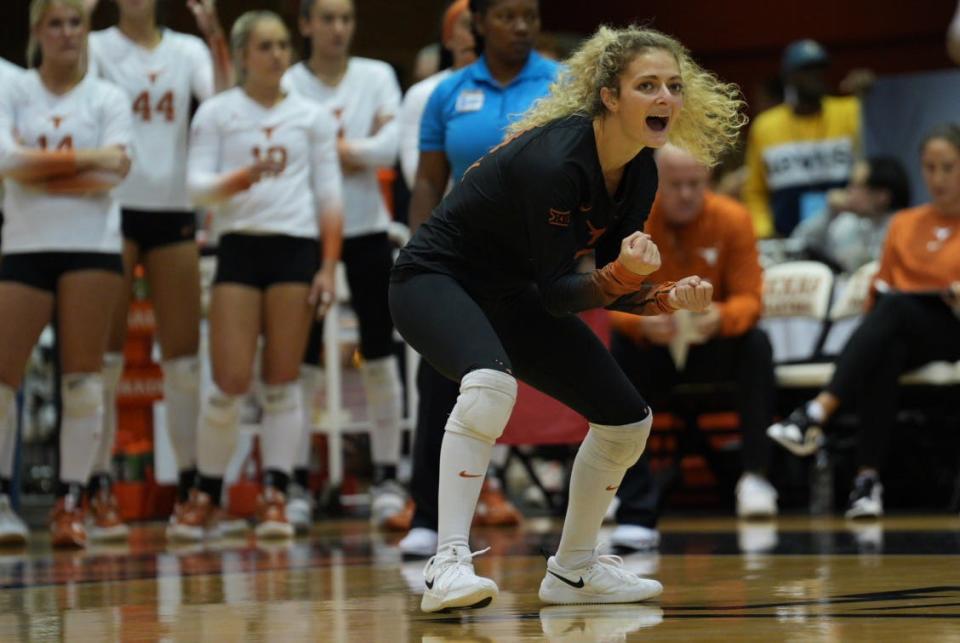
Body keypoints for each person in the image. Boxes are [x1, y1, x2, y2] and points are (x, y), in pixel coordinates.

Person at [390, 25, 744, 612]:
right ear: (610, 96)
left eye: (674, 87)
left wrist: (665, 297)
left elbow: (600, 284)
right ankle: (446, 562)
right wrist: (626, 279)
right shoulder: (556, 160)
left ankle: (575, 570)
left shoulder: (642, 170)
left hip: (510, 293)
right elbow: (561, 293)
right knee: (489, 385)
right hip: (433, 279)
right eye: (648, 85)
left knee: (628, 421)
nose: (665, 99)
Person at [398, 0, 560, 558]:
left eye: (530, 16)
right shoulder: (448, 93)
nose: (521, 27)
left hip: (535, 262)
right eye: (507, 16)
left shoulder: (562, 84)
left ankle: (607, 507)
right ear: (478, 25)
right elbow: (426, 182)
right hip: (459, 263)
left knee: (579, 370)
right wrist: (421, 256)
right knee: (441, 383)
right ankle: (428, 516)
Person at [174, 10, 343, 541]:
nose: (277, 56)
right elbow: (196, 189)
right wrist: (247, 177)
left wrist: (329, 268)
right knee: (227, 385)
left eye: (282, 46)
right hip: (239, 251)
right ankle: (205, 492)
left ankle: (276, 493)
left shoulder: (312, 117)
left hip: (295, 251)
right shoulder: (219, 113)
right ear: (243, 54)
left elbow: (329, 196)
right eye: (265, 47)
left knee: (283, 383)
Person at [82, 0, 230, 542]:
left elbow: (223, 101)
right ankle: (95, 488)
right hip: (112, 210)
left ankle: (191, 489)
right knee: (105, 360)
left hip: (172, 211)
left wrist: (214, 34)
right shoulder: (97, 46)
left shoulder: (187, 49)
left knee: (184, 361)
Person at [769, 124, 960, 519]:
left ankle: (818, 411)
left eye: (948, 167)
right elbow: (881, 286)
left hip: (953, 327)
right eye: (929, 167)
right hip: (904, 329)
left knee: (894, 313)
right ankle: (866, 482)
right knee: (885, 347)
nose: (937, 178)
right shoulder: (906, 223)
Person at [0, 0, 133, 548]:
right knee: (2, 380)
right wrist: (88, 159)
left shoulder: (108, 96)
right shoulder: (12, 86)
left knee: (83, 382)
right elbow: (7, 162)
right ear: (37, 31)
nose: (66, 33)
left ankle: (70, 503)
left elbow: (117, 171)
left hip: (91, 247)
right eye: (54, 23)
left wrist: (38, 169)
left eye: (75, 22)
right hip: (25, 245)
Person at [607, 145, 775, 550]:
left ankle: (756, 476)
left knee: (757, 343)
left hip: (711, 348)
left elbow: (751, 299)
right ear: (657, 184)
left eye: (695, 184)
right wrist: (644, 324)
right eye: (675, 185)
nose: (685, 194)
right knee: (615, 349)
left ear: (709, 182)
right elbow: (609, 300)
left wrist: (721, 317)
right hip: (654, 349)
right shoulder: (635, 220)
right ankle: (619, 483)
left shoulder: (733, 220)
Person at [283, 0, 405, 531]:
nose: (338, 28)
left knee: (379, 353)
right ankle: (293, 482)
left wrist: (325, 148)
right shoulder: (287, 80)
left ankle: (385, 476)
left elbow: (390, 148)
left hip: (368, 232)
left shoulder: (376, 76)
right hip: (303, 233)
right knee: (301, 363)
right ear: (305, 23)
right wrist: (359, 148)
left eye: (346, 18)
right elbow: (291, 153)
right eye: (327, 18)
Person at [743, 39, 860, 238]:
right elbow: (755, 191)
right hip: (786, 238)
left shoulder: (851, 111)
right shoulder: (766, 126)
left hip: (845, 236)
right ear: (789, 78)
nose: (816, 76)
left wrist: (869, 93)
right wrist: (763, 230)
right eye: (806, 71)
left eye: (819, 69)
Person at [397, 0, 475, 192]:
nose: (475, 34)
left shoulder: (514, 88)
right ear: (448, 38)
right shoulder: (423, 94)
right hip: (448, 213)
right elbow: (417, 177)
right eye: (467, 25)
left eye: (481, 26)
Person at [791, 157, 911, 274]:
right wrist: (830, 212)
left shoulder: (906, 230)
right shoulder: (848, 223)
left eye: (856, 185)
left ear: (881, 196)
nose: (848, 190)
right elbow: (799, 244)